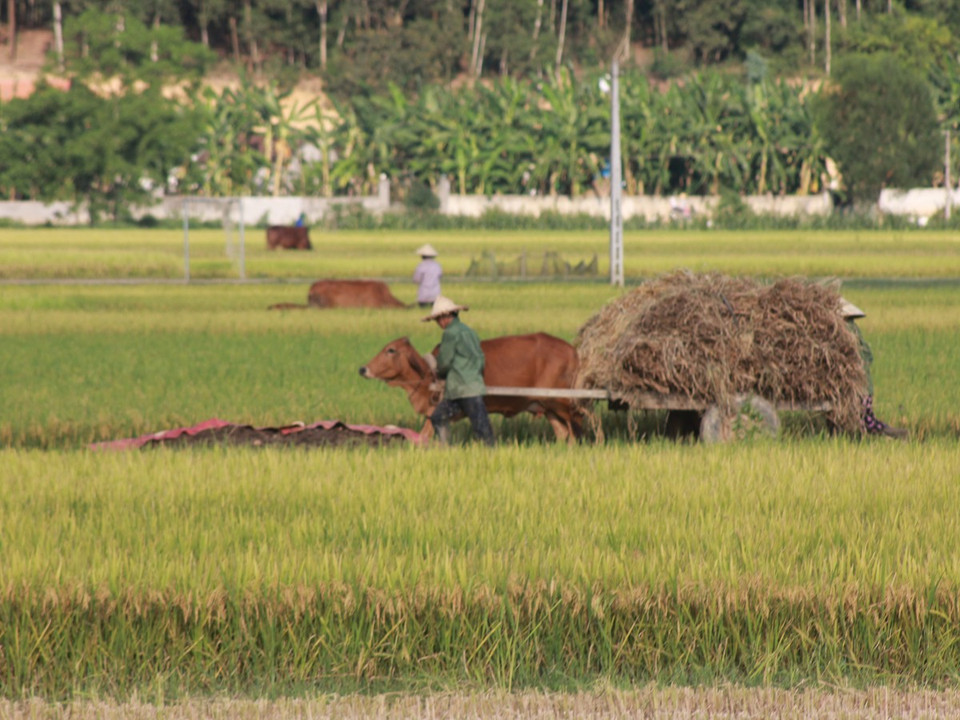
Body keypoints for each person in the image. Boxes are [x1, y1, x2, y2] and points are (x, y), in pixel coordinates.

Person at [422, 296, 495, 446]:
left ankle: (446, 447)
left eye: (437, 320)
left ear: (445, 317)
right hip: (473, 386)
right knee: (480, 426)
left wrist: (438, 372)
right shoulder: (469, 331)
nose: (438, 323)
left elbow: (445, 362)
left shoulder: (450, 333)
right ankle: (450, 449)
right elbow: (480, 358)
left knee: (440, 418)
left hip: (460, 390)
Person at [841, 298, 908, 439]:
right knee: (866, 421)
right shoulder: (853, 328)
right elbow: (868, 356)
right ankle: (895, 435)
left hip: (859, 387)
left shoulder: (846, 328)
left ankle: (898, 435)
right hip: (864, 387)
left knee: (866, 422)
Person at [413, 244, 442, 308]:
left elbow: (416, 279)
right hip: (435, 293)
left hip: (424, 294)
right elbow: (440, 276)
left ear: (422, 256)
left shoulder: (421, 266)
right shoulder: (437, 265)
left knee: (423, 308)